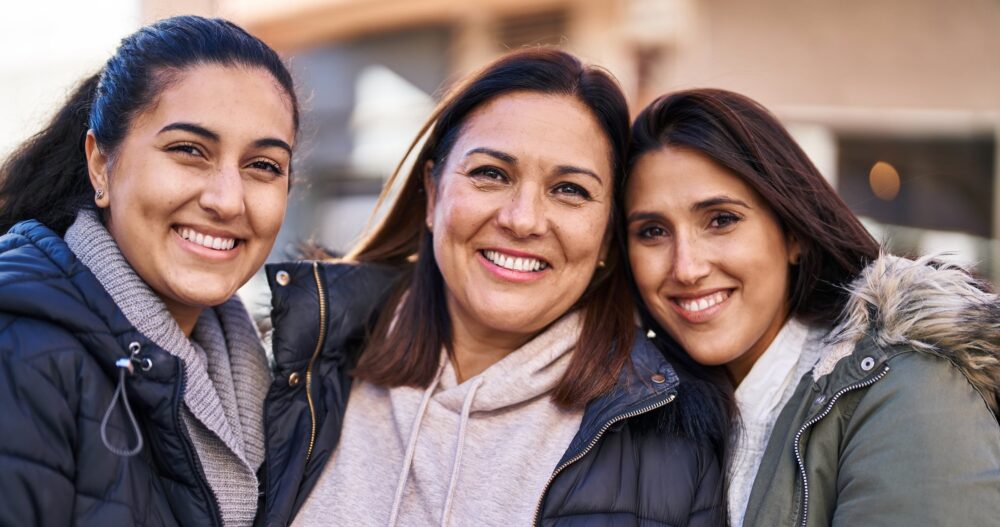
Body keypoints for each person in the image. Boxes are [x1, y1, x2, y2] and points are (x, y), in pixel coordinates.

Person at [260, 49, 728, 526]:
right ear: (433, 192)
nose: (522, 220)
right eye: (491, 174)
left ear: (608, 233)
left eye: (570, 189)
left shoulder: (673, 439)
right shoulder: (300, 368)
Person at [623, 87, 1000, 526]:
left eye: (721, 220)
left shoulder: (909, 390)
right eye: (652, 231)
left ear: (794, 235)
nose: (686, 268)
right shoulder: (647, 409)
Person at [0, 16, 298, 526]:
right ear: (100, 164)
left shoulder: (274, 390)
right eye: (189, 151)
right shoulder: (21, 357)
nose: (228, 201)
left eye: (263, 166)